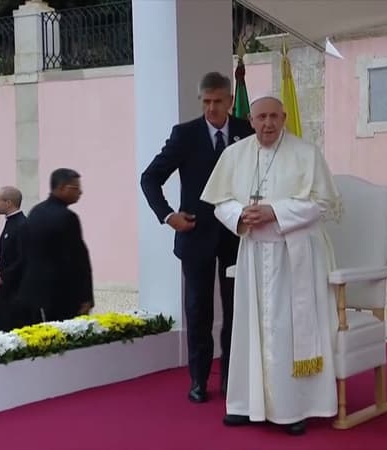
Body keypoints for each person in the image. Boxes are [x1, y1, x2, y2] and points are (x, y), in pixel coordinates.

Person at [200, 94, 342, 436]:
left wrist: (275, 212)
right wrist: (240, 215)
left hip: (293, 255)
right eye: (260, 117)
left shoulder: (306, 154)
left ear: (285, 117)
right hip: (252, 250)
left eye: (273, 117)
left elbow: (322, 203)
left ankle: (294, 407)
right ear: (250, 120)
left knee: (285, 330)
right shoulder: (235, 154)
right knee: (250, 327)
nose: (267, 123)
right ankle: (245, 404)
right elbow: (220, 201)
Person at [140, 71, 254, 403]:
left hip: (239, 235)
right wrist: (168, 215)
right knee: (198, 309)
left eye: (218, 102)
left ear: (230, 101)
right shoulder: (185, 135)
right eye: (206, 102)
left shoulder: (247, 133)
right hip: (195, 234)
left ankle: (233, 378)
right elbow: (150, 178)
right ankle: (199, 380)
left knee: (236, 309)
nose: (212, 108)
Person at [17, 169, 92, 323]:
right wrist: (86, 297)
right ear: (61, 188)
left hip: (34, 292)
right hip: (62, 294)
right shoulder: (67, 217)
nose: (80, 192)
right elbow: (78, 259)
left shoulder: (35, 212)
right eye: (75, 188)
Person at [0, 186, 27, 331]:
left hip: (14, 289)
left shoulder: (22, 225)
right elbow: (5, 254)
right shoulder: (11, 222)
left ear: (8, 202)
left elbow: (23, 258)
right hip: (5, 286)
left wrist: (4, 276)